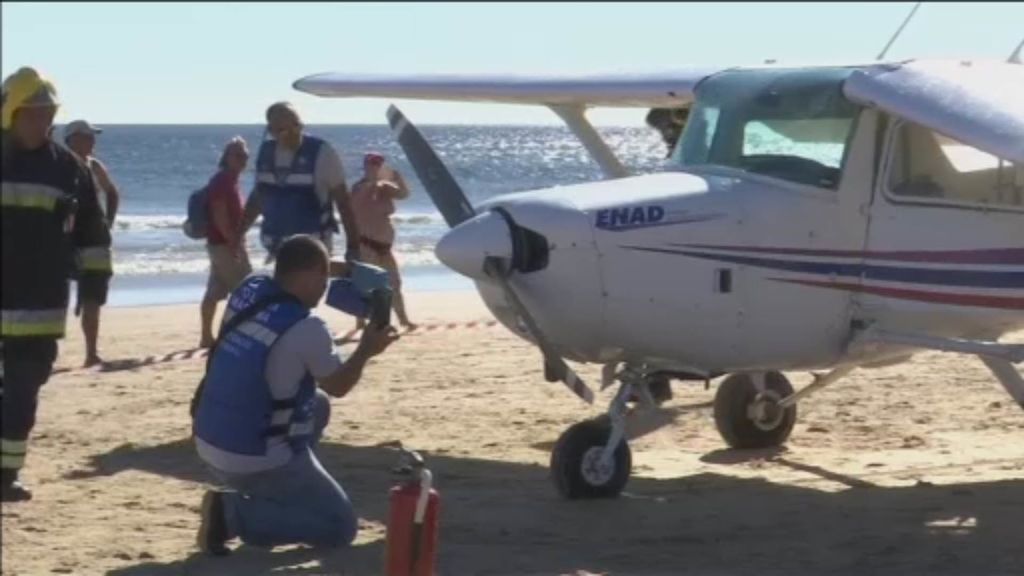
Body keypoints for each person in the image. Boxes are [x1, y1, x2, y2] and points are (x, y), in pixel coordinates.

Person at [192, 234, 399, 555]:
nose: (324, 286)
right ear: (314, 272)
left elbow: (297, 265)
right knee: (339, 527)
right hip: (251, 457)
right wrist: (366, 350)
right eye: (323, 276)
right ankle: (230, 516)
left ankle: (281, 490)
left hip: (210, 437)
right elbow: (339, 385)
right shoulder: (308, 327)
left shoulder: (251, 287)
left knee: (317, 405)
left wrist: (346, 271)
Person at [1, 67, 109, 501]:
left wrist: (95, 284)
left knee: (26, 388)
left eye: (48, 114)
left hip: (40, 302)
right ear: (11, 113)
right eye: (33, 113)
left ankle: (5, 476)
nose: (42, 122)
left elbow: (92, 230)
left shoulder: (68, 169)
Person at [238, 102, 361, 263]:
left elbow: (343, 202)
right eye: (283, 130)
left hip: (313, 252)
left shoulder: (322, 153)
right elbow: (258, 198)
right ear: (271, 131)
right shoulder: (266, 154)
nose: (293, 133)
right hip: (276, 250)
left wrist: (353, 247)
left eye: (297, 126)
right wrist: (238, 235)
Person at [64, 119, 119, 367]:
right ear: (73, 138)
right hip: (79, 241)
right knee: (86, 297)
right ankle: (90, 352)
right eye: (88, 136)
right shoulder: (66, 166)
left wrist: (108, 221)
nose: (93, 140)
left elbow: (112, 192)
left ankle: (91, 351)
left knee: (94, 295)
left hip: (96, 241)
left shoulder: (93, 165)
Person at [350, 153, 415, 329]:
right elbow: (357, 202)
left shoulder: (385, 188)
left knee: (394, 283)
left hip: (384, 247)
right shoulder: (359, 187)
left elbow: (404, 194)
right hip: (366, 244)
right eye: (372, 164)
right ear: (365, 166)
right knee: (366, 284)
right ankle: (361, 321)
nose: (376, 168)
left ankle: (403, 319)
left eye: (379, 164)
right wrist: (372, 181)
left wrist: (396, 177)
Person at [199, 137, 254, 348]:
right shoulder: (222, 181)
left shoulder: (230, 180)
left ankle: (206, 336)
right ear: (227, 157)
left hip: (220, 244)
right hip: (224, 244)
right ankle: (235, 333)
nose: (242, 160)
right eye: (238, 155)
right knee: (245, 290)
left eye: (245, 156)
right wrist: (233, 243)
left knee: (214, 290)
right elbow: (219, 213)